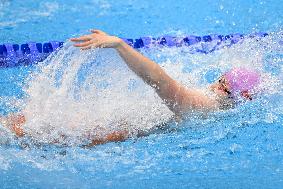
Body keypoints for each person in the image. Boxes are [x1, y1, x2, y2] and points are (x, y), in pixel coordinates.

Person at [0, 29, 261, 146]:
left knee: (27, 127)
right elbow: (160, 82)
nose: (216, 84)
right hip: (113, 124)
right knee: (26, 126)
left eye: (221, 83)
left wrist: (120, 45)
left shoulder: (203, 104)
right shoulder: (212, 106)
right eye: (219, 79)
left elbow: (159, 80)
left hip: (110, 126)